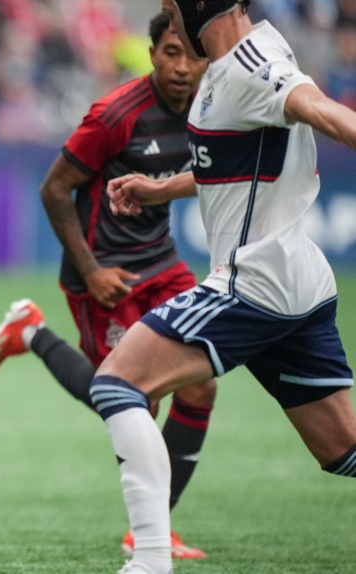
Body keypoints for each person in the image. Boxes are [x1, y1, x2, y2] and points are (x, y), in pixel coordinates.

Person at [95, 1, 356, 572]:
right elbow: (232, 160)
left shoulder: (252, 64)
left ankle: (150, 561)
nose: (167, 13)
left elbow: (327, 114)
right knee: (343, 452)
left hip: (255, 282)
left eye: (169, 6)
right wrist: (159, 189)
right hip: (296, 282)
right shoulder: (232, 59)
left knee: (117, 384)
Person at [0, 12, 211, 559]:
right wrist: (91, 272)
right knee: (133, 399)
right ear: (151, 52)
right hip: (101, 273)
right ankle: (33, 332)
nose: (181, 67)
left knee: (200, 383)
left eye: (193, 55)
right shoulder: (115, 115)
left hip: (163, 263)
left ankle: (151, 530)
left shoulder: (211, 108)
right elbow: (54, 189)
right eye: (170, 53)